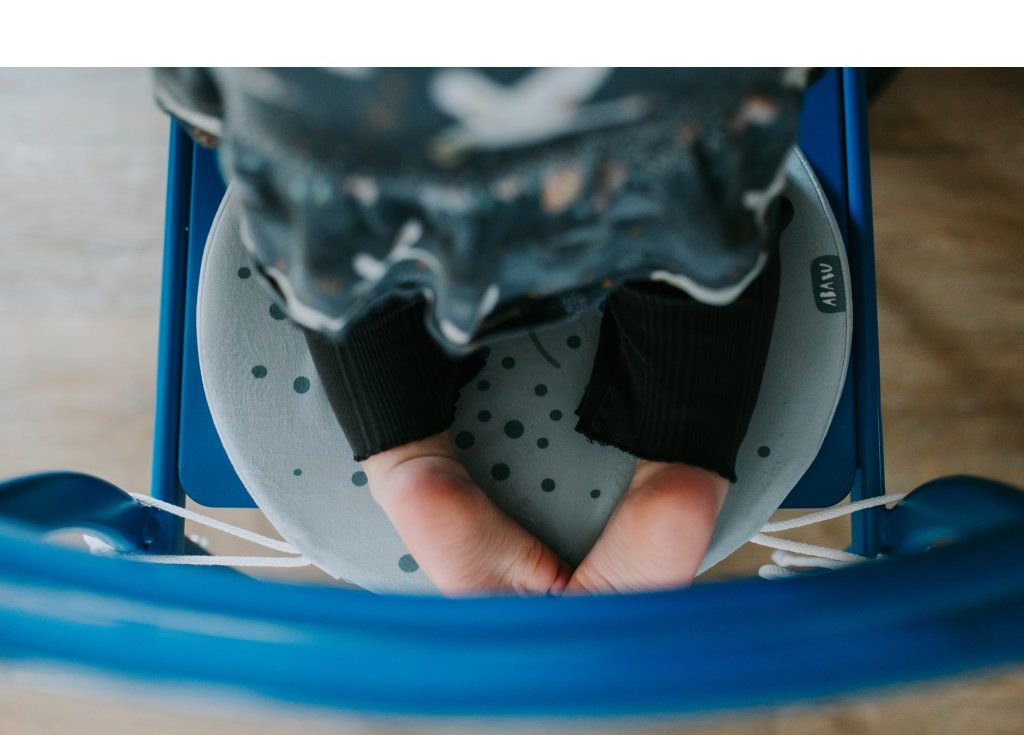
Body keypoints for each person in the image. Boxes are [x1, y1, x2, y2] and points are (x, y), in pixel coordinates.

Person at [156, 67, 808, 595]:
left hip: (369, 162)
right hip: (642, 151)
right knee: (692, 198)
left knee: (337, 217)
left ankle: (406, 459)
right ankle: (681, 463)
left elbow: (208, 105)